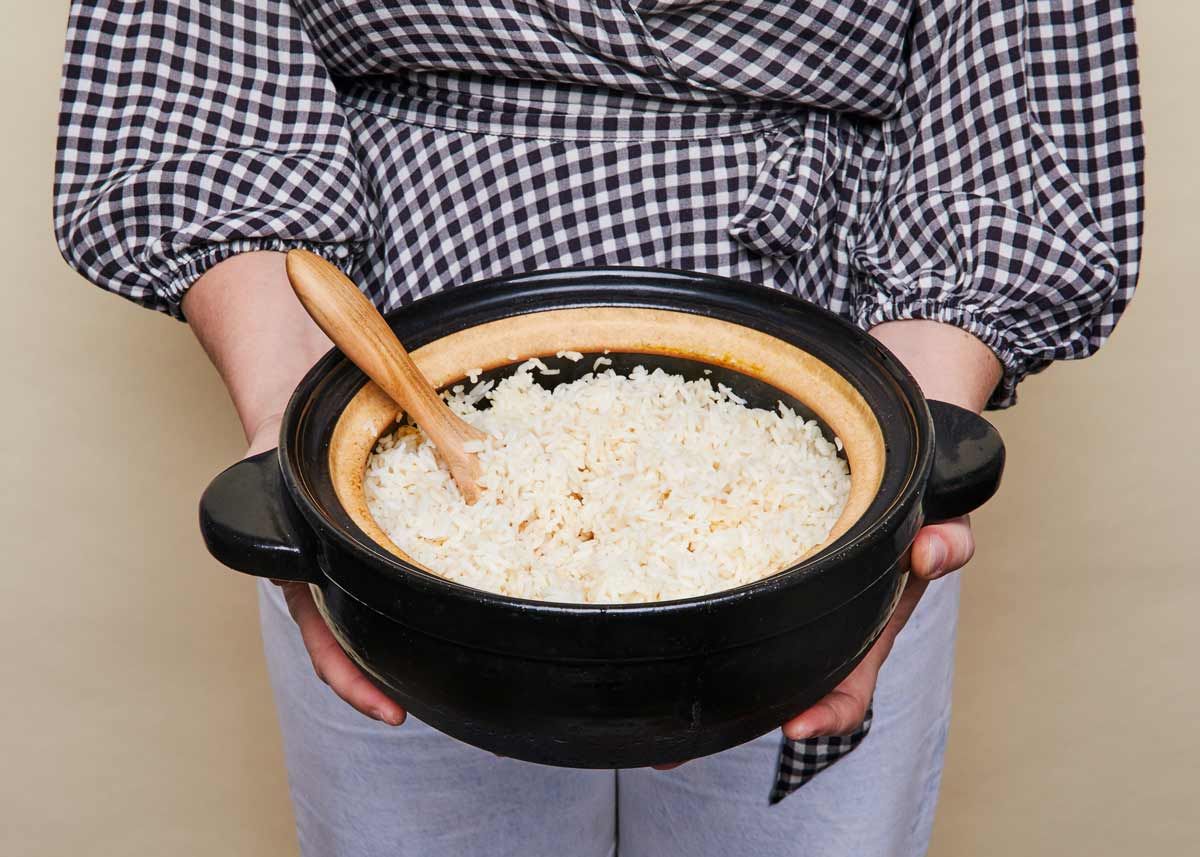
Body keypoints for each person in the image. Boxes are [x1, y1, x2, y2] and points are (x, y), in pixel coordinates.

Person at [54, 2, 1143, 855]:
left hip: (842, 413)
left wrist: (890, 496)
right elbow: (206, 90)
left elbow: (1010, 112)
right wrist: (294, 442)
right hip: (385, 463)